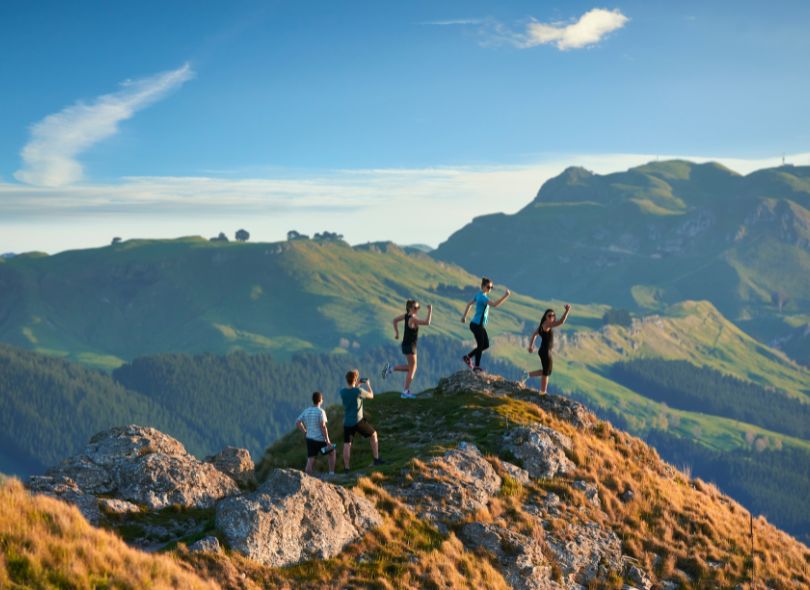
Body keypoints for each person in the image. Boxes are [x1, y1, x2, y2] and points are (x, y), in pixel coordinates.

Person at [381, 299, 433, 398]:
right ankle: (405, 391)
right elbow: (427, 323)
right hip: (410, 346)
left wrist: (397, 333)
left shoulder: (406, 316)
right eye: (415, 308)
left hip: (405, 345)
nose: (417, 309)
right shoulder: (413, 318)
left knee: (410, 367)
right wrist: (430, 310)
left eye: (418, 307)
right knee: (413, 368)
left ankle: (390, 369)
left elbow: (395, 320)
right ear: (410, 308)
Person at [461, 277, 511, 371]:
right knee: (481, 345)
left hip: (477, 325)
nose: (490, 289)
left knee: (486, 345)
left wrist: (464, 317)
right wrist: (506, 295)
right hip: (477, 325)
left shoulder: (479, 295)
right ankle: (476, 366)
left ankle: (468, 357)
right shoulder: (483, 297)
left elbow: (469, 304)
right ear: (483, 286)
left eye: (491, 287)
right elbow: (495, 305)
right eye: (488, 287)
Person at [340, 369, 385, 470]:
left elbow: (351, 391)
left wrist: (357, 384)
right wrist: (368, 384)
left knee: (347, 444)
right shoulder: (358, 391)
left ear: (347, 380)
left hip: (347, 422)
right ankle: (376, 459)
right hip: (358, 421)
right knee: (373, 434)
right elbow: (371, 395)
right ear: (355, 379)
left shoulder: (342, 392)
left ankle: (346, 468)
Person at [523, 304, 572, 394]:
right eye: (549, 315)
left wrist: (531, 346)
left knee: (546, 371)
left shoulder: (542, 325)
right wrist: (567, 311)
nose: (552, 317)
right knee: (546, 372)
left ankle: (527, 375)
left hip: (543, 351)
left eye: (553, 315)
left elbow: (534, 334)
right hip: (546, 352)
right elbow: (561, 322)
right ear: (545, 317)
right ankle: (542, 392)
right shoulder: (548, 324)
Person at [295, 391, 336, 477]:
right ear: (321, 400)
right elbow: (323, 426)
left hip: (309, 439)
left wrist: (305, 432)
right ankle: (331, 474)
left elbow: (298, 422)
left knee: (311, 458)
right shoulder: (321, 412)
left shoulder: (306, 411)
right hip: (319, 439)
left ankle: (306, 477)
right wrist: (328, 441)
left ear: (313, 400)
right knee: (332, 451)